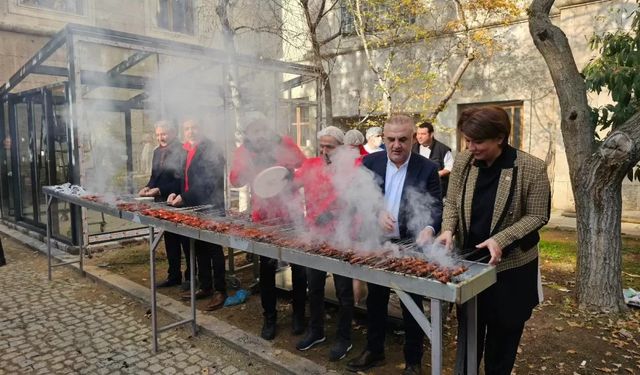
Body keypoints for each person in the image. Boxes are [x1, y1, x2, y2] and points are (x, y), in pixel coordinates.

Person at [435, 106, 550, 375]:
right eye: (467, 140)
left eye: (477, 142)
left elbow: (537, 215)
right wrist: (448, 229)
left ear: (499, 137)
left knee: (503, 341)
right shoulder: (463, 163)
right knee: (468, 336)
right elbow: (451, 202)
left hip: (510, 271)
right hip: (469, 267)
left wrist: (500, 239)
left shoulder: (531, 168)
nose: (470, 147)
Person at [347, 115, 443, 375]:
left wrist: (429, 228)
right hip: (378, 243)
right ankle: (374, 350)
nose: (396, 145)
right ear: (384, 139)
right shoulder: (369, 162)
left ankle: (413, 361)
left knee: (410, 304)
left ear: (413, 138)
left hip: (412, 244)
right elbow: (356, 200)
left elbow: (435, 207)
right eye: (391, 139)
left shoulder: (427, 168)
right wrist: (376, 211)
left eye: (403, 139)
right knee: (375, 300)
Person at [229, 119, 307, 340]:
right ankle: (269, 317)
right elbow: (235, 181)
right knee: (266, 269)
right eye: (255, 130)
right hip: (263, 216)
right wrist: (245, 168)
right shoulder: (243, 151)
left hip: (291, 213)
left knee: (299, 267)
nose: (260, 134)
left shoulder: (285, 143)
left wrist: (293, 175)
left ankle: (299, 314)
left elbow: (306, 166)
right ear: (248, 134)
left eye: (263, 128)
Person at [293, 126, 355, 362]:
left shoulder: (350, 169)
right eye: (323, 145)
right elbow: (292, 185)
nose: (325, 150)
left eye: (330, 146)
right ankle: (316, 331)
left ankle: (344, 337)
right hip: (315, 236)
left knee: (343, 292)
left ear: (340, 147)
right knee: (315, 286)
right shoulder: (310, 165)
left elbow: (355, 201)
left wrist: (333, 214)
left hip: (341, 237)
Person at [168, 118, 227, 311]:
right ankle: (205, 286)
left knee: (213, 249)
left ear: (201, 129)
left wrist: (184, 197)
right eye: (187, 128)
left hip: (211, 206)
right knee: (199, 247)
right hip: (192, 206)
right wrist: (176, 193)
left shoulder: (212, 149)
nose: (191, 131)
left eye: (194, 127)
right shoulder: (186, 150)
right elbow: (183, 178)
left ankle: (220, 290)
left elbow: (208, 183)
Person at [139, 121, 190, 288]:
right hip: (162, 201)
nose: (161, 137)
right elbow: (154, 176)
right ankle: (173, 275)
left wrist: (159, 190)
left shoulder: (183, 151)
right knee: (170, 239)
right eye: (158, 134)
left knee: (186, 240)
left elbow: (182, 180)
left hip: (179, 200)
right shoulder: (156, 151)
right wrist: (148, 186)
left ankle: (190, 276)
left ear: (173, 132)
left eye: (164, 134)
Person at [412, 121, 453, 197]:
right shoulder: (412, 149)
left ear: (431, 134)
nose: (419, 137)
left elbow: (450, 167)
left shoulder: (443, 149)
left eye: (423, 134)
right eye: (418, 134)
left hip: (437, 190)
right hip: (416, 191)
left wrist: (436, 174)